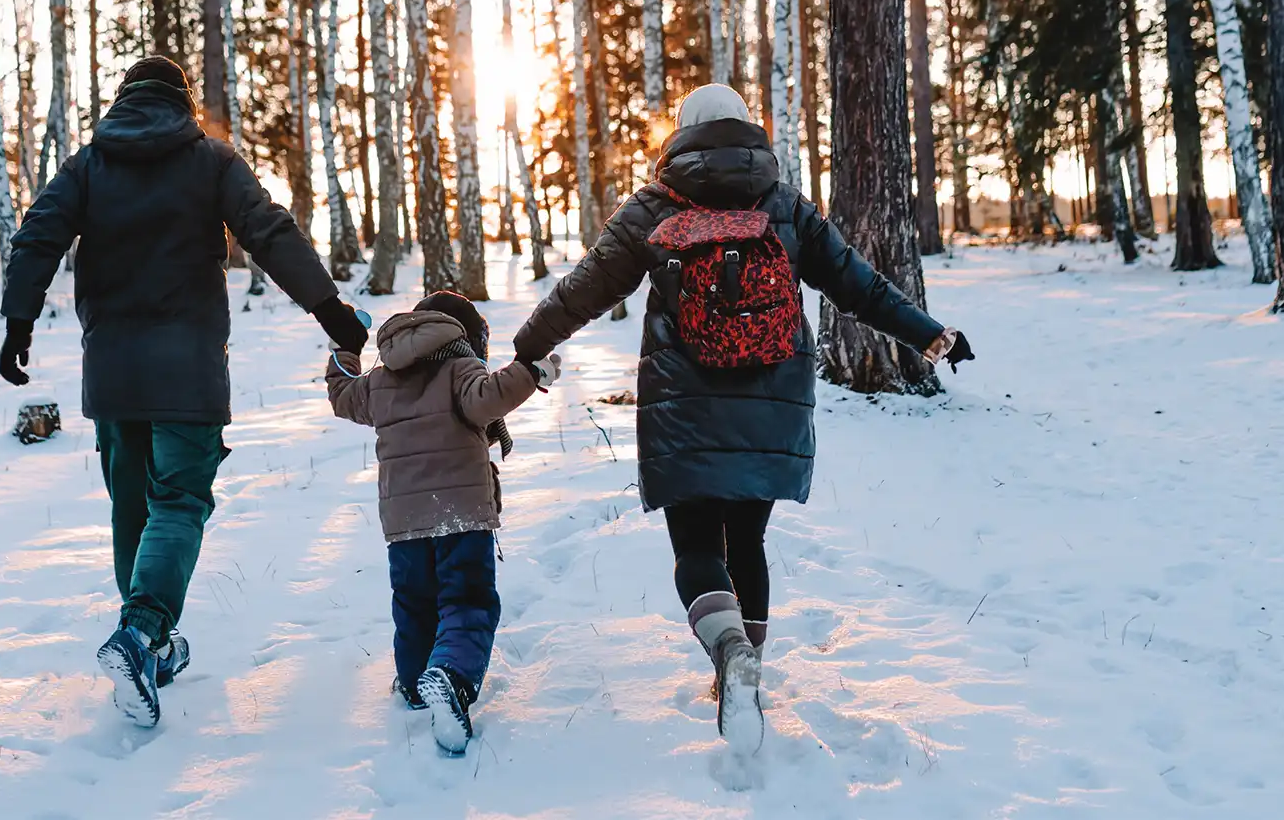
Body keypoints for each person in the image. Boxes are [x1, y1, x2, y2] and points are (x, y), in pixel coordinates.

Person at [511, 84, 971, 742]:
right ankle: (747, 666)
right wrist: (932, 336)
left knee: (697, 547)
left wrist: (529, 346)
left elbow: (584, 287)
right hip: (773, 402)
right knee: (747, 541)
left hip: (682, 407)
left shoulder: (653, 207)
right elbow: (856, 283)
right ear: (746, 130)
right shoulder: (783, 205)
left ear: (682, 134)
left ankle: (728, 655)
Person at [0, 56, 369, 728]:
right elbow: (269, 231)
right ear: (183, 103)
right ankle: (140, 636)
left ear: (123, 101)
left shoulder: (88, 166)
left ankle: (153, 644)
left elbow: (36, 237)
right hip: (189, 370)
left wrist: (19, 320)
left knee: (133, 508)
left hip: (111, 373)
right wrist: (329, 308)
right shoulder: (211, 162)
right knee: (180, 499)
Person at [325, 291, 560, 755]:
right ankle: (451, 677)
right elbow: (487, 399)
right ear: (468, 337)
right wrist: (533, 372)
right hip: (462, 515)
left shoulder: (380, 380)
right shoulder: (460, 366)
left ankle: (415, 685)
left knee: (414, 605)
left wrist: (342, 351)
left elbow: (341, 395)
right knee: (467, 601)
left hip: (403, 524)